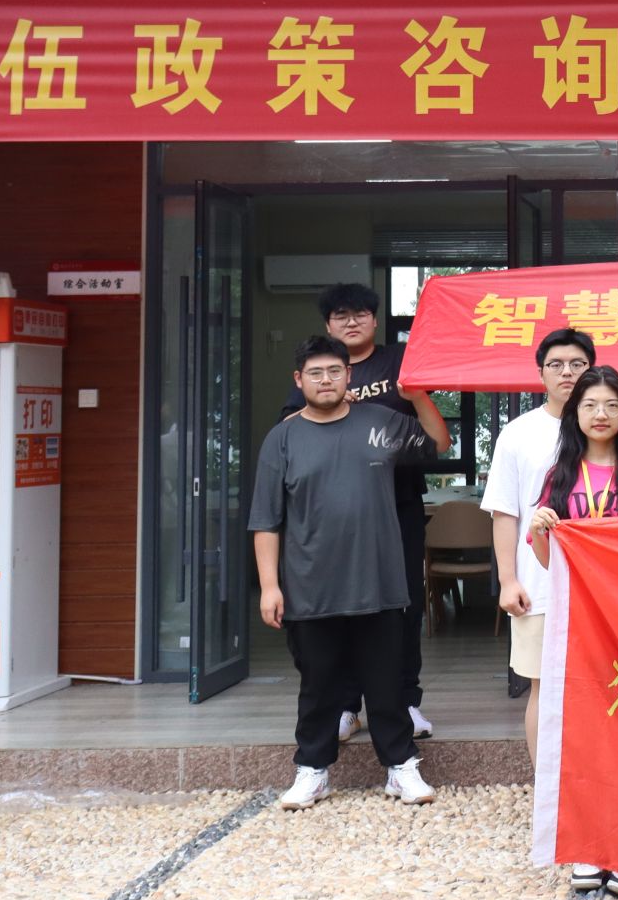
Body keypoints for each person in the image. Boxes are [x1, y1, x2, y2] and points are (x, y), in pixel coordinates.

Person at [251, 335, 450, 810]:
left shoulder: (379, 422)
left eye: (335, 371)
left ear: (349, 375)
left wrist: (418, 395)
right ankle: (312, 771)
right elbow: (266, 520)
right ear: (299, 380)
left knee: (387, 684)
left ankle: (401, 767)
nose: (326, 380)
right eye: (315, 373)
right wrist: (270, 586)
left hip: (379, 584)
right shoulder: (282, 438)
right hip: (310, 587)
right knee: (319, 686)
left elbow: (439, 443)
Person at [527, 366, 618, 899]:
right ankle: (590, 846)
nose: (601, 414)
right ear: (575, 414)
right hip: (579, 624)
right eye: (590, 405)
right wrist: (541, 531)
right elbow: (548, 561)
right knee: (586, 732)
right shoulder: (561, 473)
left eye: (612, 404)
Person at [278, 282, 440, 745]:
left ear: (375, 319)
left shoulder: (399, 361)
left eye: (360, 314)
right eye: (341, 316)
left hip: (398, 505)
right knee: (342, 607)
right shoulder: (322, 371)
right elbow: (287, 429)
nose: (352, 322)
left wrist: (416, 395)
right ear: (328, 325)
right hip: (335, 512)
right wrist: (334, 404)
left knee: (404, 604)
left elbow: (433, 437)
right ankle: (347, 707)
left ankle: (405, 700)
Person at [487, 328, 595, 763]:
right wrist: (508, 580)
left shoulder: (606, 425)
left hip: (599, 588)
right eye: (556, 365)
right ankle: (544, 783)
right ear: (540, 374)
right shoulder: (519, 434)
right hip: (539, 584)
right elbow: (504, 512)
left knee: (600, 687)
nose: (567, 372)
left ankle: (592, 781)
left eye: (577, 364)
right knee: (541, 686)